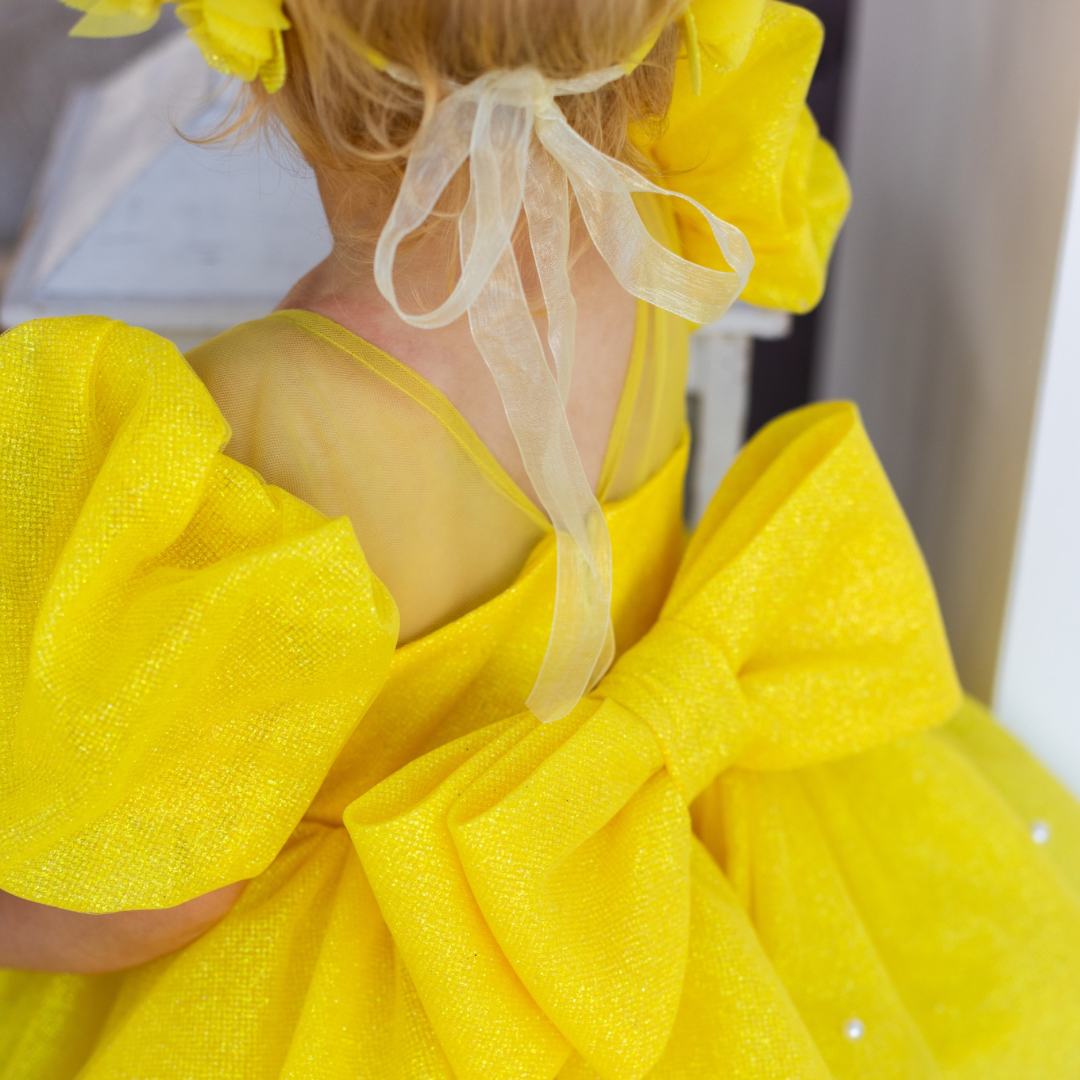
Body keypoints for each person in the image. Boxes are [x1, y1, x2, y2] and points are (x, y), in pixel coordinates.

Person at [2, 0, 1080, 1075]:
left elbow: (174, 882)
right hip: (644, 875)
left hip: (375, 996)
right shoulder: (663, 244)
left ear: (278, 62)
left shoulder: (266, 407)